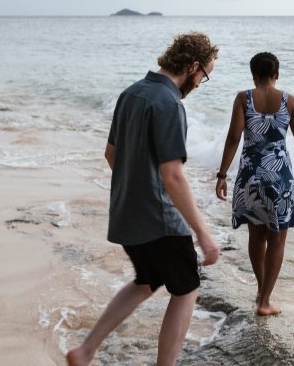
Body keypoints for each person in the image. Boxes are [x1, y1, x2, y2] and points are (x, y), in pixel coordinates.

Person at [67, 32, 221, 366]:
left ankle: (85, 351)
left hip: (126, 212)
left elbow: (111, 155)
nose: (201, 82)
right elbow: (173, 176)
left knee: (146, 280)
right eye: (204, 75)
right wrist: (204, 234)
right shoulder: (169, 104)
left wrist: (136, 188)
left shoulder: (131, 93)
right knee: (186, 288)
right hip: (159, 217)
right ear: (193, 66)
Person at [215, 52, 294, 316]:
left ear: (253, 74)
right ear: (277, 74)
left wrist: (222, 174)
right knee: (278, 239)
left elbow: (233, 139)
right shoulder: (288, 101)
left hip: (250, 176)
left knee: (256, 236)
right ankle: (264, 301)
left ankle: (261, 291)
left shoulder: (243, 98)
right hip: (279, 177)